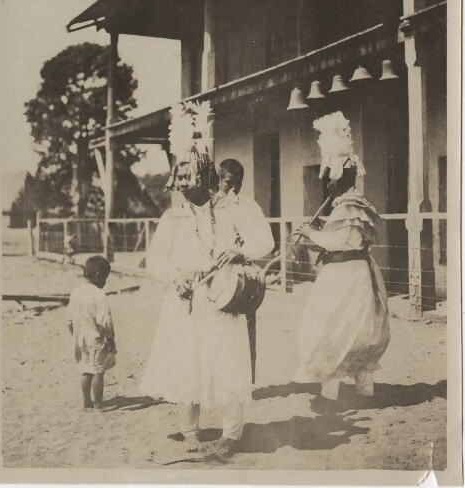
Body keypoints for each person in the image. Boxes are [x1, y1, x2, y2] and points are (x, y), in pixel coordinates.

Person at [139, 102, 274, 460]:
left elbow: (266, 241)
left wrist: (239, 253)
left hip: (222, 300)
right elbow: (154, 260)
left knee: (228, 364)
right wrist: (175, 277)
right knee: (188, 363)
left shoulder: (233, 208)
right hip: (185, 302)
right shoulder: (172, 217)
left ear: (204, 176)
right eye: (178, 179)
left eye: (189, 178)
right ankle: (190, 430)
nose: (182, 186)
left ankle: (232, 433)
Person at [293, 111, 390, 407]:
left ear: (337, 179)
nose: (326, 184)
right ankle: (363, 388)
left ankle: (332, 393)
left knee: (334, 327)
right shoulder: (349, 205)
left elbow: (340, 241)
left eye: (327, 178)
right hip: (353, 272)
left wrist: (311, 233)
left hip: (347, 275)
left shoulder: (348, 205)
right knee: (353, 327)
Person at [216, 159, 273, 384]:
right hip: (216, 278)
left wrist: (243, 253)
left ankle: (244, 383)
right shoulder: (209, 206)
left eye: (238, 184)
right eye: (229, 183)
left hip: (241, 278)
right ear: (219, 179)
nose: (233, 189)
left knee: (245, 329)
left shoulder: (249, 206)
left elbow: (267, 242)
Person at [66, 255, 117, 412]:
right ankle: (98, 404)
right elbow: (105, 320)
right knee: (98, 371)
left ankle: (87, 401)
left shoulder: (76, 292)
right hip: (96, 339)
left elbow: (69, 320)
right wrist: (111, 339)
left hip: (80, 338)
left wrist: (74, 337)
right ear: (97, 276)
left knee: (85, 370)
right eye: (105, 278)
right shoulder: (98, 294)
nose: (105, 282)